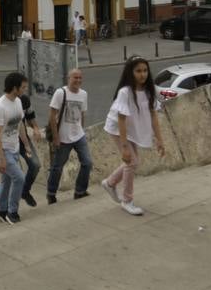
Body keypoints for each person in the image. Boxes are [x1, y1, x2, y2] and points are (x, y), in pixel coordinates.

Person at [100, 56, 166, 215]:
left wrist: (159, 140)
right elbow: (121, 120)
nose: (142, 74)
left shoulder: (149, 91)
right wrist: (124, 148)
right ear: (131, 73)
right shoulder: (125, 92)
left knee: (132, 162)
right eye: (138, 71)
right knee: (132, 161)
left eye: (145, 70)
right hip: (118, 128)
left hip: (132, 128)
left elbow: (154, 116)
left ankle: (110, 183)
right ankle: (127, 200)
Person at [45, 68, 92, 203]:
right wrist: (55, 137)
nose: (78, 80)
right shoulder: (61, 93)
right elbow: (52, 116)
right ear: (68, 78)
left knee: (87, 163)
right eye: (75, 77)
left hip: (79, 135)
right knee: (57, 167)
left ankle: (80, 191)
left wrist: (82, 130)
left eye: (80, 78)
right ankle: (51, 193)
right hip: (63, 137)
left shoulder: (84, 94)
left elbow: (83, 114)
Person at [0, 72, 30, 224]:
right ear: (14, 88)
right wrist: (0, 158)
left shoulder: (18, 102)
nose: (25, 90)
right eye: (23, 87)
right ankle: (12, 212)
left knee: (7, 180)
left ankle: (0, 209)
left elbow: (19, 126)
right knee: (19, 177)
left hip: (14, 148)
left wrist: (26, 144)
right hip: (1, 149)